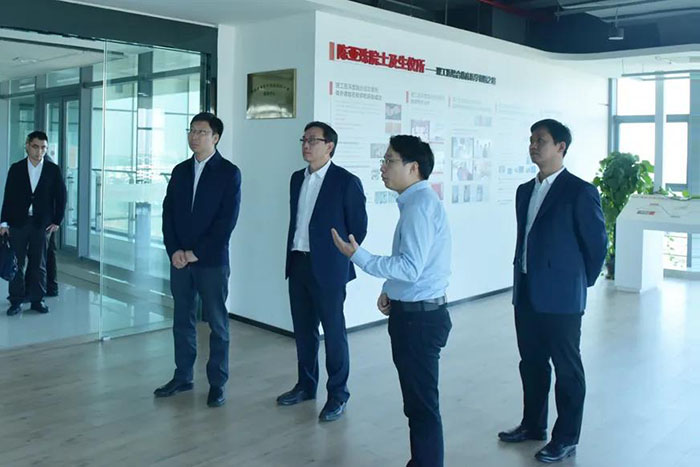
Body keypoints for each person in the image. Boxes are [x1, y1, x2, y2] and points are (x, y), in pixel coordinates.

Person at [332, 135, 451, 467]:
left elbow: (410, 268)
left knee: (421, 405)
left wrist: (360, 256)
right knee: (418, 403)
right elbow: (416, 265)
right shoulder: (417, 203)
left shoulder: (419, 206)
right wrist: (391, 290)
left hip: (419, 321)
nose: (382, 167)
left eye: (389, 161)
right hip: (416, 312)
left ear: (413, 168)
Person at [497, 119, 607, 463]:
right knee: (531, 363)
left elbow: (597, 246)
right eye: (531, 140)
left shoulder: (580, 191)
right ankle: (533, 425)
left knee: (567, 368)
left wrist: (578, 282)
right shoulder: (524, 191)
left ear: (561, 147)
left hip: (562, 297)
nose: (533, 146)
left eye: (541, 140)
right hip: (526, 290)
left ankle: (566, 437)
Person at [277, 121, 367, 422]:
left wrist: (336, 254)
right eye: (304, 139)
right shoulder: (296, 179)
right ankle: (306, 386)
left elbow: (358, 228)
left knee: (334, 332)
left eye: (313, 140)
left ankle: (338, 395)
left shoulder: (346, 181)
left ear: (329, 146)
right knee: (304, 332)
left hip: (329, 268)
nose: (306, 145)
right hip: (298, 262)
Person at [154, 112, 241, 408]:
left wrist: (196, 252)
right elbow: (168, 214)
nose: (194, 136)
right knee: (182, 319)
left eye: (201, 132)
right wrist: (174, 250)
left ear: (215, 137)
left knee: (217, 323)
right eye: (191, 131)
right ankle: (183, 376)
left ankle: (217, 383)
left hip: (211, 262)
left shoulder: (229, 173)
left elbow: (226, 222)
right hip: (180, 260)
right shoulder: (180, 171)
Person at [1, 131, 66, 316]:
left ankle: (37, 300)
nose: (39, 151)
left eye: (43, 148)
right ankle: (16, 300)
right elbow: (8, 197)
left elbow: (61, 196)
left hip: (41, 224)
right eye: (36, 147)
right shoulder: (16, 168)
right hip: (18, 222)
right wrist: (4, 222)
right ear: (27, 146)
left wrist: (57, 220)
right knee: (17, 262)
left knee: (39, 263)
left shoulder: (53, 170)